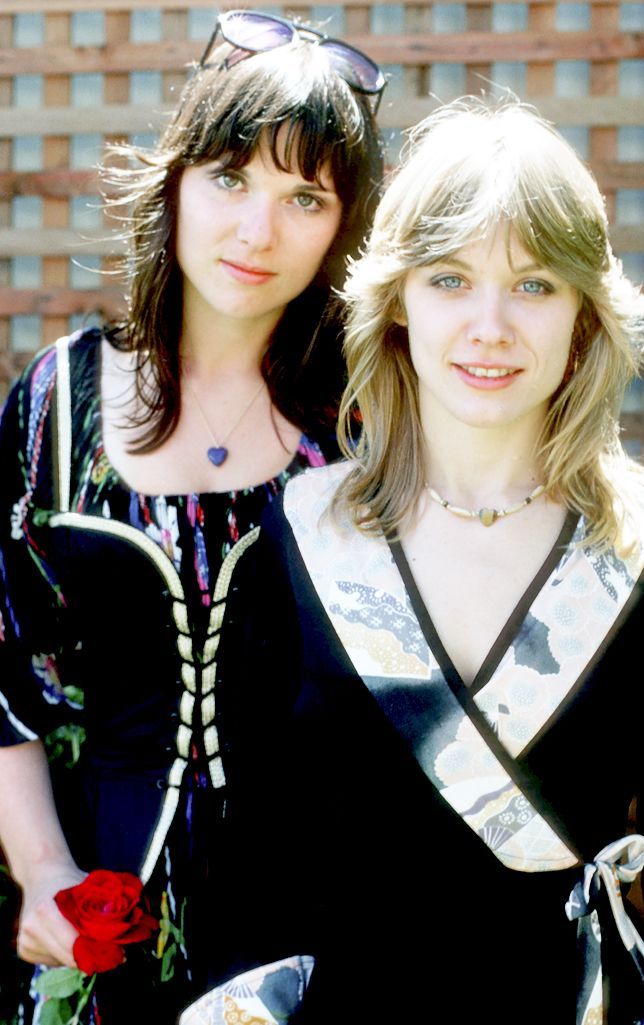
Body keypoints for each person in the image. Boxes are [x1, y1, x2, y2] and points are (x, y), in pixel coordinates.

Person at [185, 97, 644, 1025]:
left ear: (582, 314)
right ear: (398, 303)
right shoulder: (296, 544)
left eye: (534, 285)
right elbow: (245, 871)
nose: (490, 325)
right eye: (449, 279)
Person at [0, 9, 385, 1022]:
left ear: (344, 225)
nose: (258, 231)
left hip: (325, 942)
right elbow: (0, 675)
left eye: (305, 196)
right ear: (174, 178)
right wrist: (41, 871)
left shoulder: (367, 417)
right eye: (229, 178)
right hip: (100, 929)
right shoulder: (58, 403)